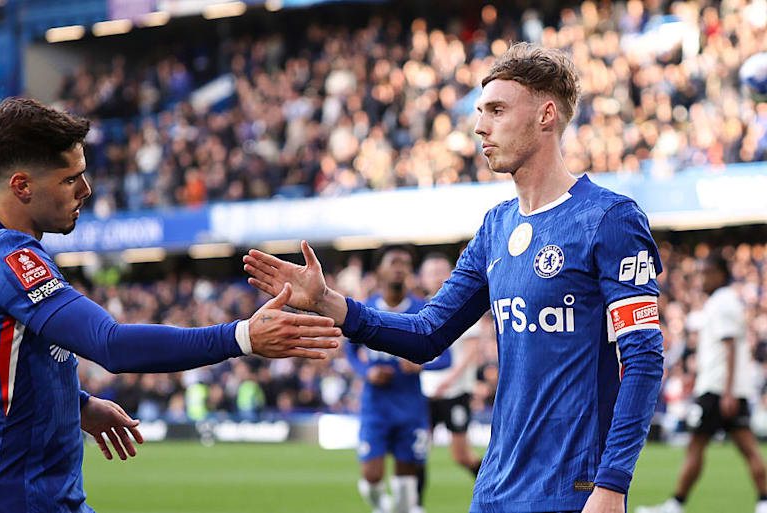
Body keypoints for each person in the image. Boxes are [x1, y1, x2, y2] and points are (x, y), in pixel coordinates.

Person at [243, 42, 664, 513]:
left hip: (574, 491)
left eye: (498, 110)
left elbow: (644, 360)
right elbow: (427, 332)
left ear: (546, 115)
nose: (480, 125)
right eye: (481, 111)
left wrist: (612, 484)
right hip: (494, 490)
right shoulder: (495, 227)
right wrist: (329, 302)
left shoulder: (609, 219)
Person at [0, 97, 340, 513]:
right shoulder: (8, 259)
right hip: (12, 499)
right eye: (70, 179)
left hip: (38, 494)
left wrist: (77, 404)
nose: (86, 190)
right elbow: (111, 344)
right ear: (21, 186)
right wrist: (242, 337)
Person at [636, 255, 767, 513]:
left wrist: (727, 392)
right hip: (725, 389)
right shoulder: (723, 302)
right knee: (745, 448)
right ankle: (763, 501)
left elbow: (729, 348)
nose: (700, 279)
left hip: (718, 390)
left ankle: (676, 504)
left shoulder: (721, 303)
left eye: (705, 273)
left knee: (699, 447)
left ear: (720, 274)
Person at [345, 246, 450, 513]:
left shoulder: (423, 309)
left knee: (406, 480)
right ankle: (382, 508)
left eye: (405, 263)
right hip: (375, 406)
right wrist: (366, 372)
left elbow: (446, 357)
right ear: (379, 270)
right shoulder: (364, 309)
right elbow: (350, 351)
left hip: (410, 406)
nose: (400, 267)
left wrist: (422, 366)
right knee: (371, 476)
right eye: (394, 262)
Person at [415, 253, 483, 507]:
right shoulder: (416, 306)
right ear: (422, 277)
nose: (437, 277)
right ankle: (415, 505)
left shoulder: (462, 304)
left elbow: (472, 351)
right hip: (425, 392)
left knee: (461, 455)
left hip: (455, 391)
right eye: (431, 271)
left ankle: (492, 490)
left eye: (442, 270)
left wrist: (450, 379)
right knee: (417, 451)